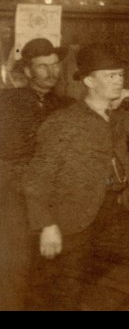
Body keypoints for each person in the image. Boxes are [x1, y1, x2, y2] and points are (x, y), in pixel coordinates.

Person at [23, 42, 129, 310]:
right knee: (65, 292)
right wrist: (46, 225)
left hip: (112, 210)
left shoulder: (117, 118)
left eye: (120, 75)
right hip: (71, 216)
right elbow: (36, 180)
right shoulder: (63, 122)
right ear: (90, 81)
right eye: (110, 76)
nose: (117, 82)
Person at [0, 38, 72, 310]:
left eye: (55, 66)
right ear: (28, 72)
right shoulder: (7, 102)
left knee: (51, 267)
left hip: (54, 196)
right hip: (13, 194)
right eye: (42, 66)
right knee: (15, 265)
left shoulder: (67, 105)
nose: (51, 72)